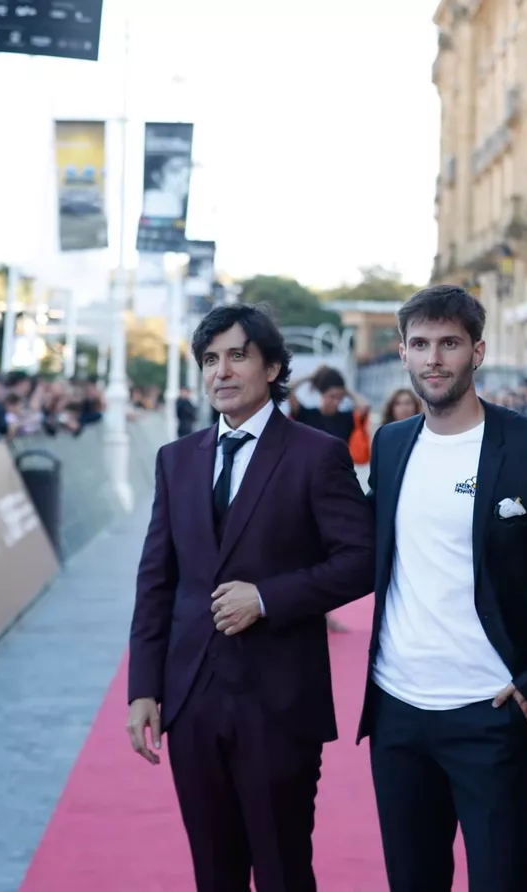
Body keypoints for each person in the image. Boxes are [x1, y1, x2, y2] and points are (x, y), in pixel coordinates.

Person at [126, 303, 375, 892]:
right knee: (214, 871)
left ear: (272, 368)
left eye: (237, 356)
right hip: (191, 699)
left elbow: (361, 560)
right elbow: (156, 581)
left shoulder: (316, 454)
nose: (222, 372)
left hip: (280, 700)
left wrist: (267, 598)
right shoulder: (176, 459)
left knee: (284, 869)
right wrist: (144, 688)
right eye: (210, 360)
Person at [358, 284, 527, 892]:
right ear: (404, 354)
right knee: (412, 880)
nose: (434, 358)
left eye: (449, 344)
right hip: (397, 710)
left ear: (477, 351)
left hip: (491, 710)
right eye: (420, 344)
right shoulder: (390, 445)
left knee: (503, 877)